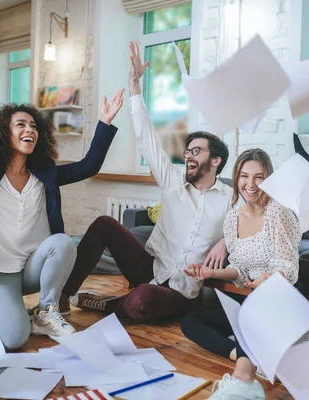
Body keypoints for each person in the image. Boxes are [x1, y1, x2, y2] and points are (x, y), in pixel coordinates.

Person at [0, 62, 124, 349]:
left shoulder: (46, 172)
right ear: (5, 133)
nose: (30, 129)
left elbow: (88, 166)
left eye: (33, 125)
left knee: (63, 243)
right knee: (13, 339)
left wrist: (105, 122)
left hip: (31, 270)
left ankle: (45, 312)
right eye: (21, 124)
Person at [60, 41, 233, 322]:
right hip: (152, 268)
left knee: (143, 300)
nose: (189, 155)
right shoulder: (173, 180)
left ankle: (112, 304)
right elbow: (147, 140)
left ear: (216, 161)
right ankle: (63, 295)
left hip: (183, 290)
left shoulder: (229, 197)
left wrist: (226, 240)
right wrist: (135, 86)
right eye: (188, 150)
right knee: (104, 224)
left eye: (197, 151)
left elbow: (251, 226)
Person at [181, 148, 309, 399]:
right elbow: (240, 271)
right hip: (253, 299)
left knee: (255, 307)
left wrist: (270, 279)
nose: (250, 184)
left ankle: (244, 379)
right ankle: (252, 356)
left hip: (283, 297)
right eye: (244, 176)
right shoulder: (232, 219)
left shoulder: (279, 212)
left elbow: (289, 267)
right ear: (235, 177)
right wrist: (212, 272)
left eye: (259, 177)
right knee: (191, 322)